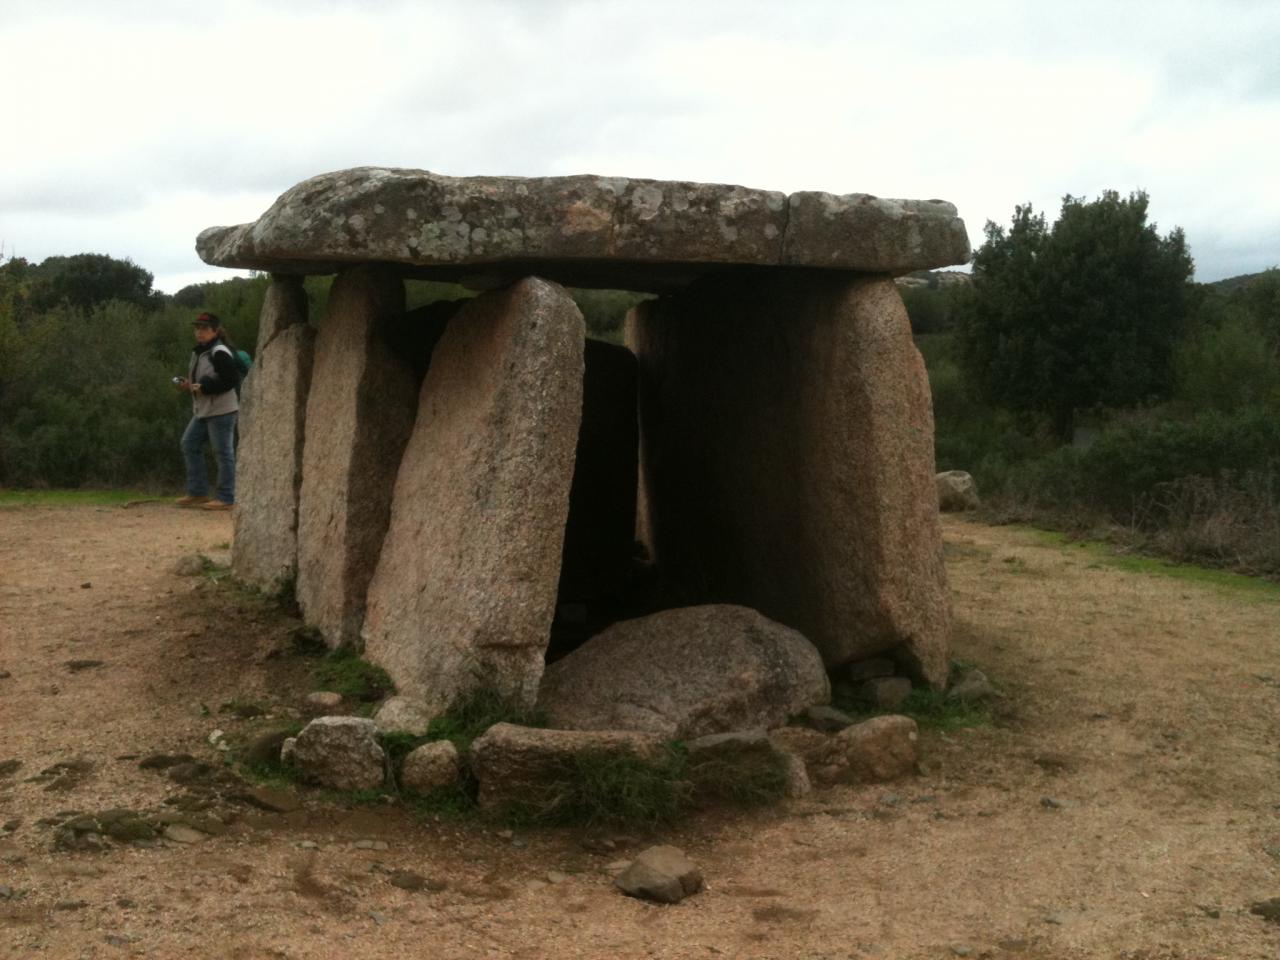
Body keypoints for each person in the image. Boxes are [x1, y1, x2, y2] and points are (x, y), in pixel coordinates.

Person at [175, 312, 240, 510]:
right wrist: (191, 385)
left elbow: (231, 380)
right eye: (197, 328)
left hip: (221, 410)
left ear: (215, 330)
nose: (199, 332)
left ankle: (227, 498)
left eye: (204, 328)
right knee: (189, 443)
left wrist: (204, 387)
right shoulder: (200, 351)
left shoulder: (219, 351)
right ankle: (198, 492)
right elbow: (208, 380)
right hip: (203, 409)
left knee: (223, 453)